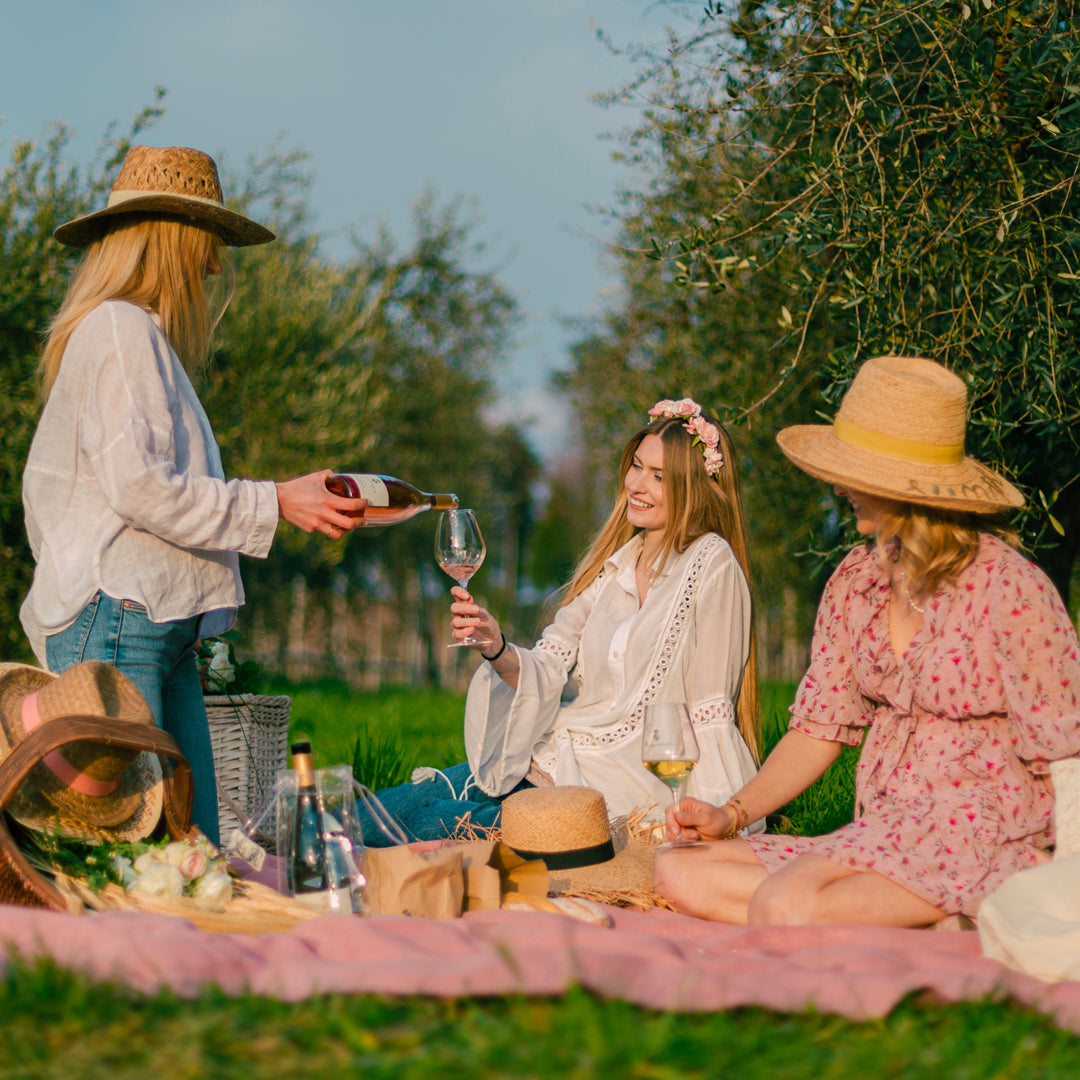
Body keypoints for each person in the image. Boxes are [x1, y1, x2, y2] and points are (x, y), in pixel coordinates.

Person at [654, 355, 1080, 928]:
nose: (835, 485)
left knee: (783, 903)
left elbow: (1065, 754)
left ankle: (982, 907)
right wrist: (730, 815)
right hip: (884, 828)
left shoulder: (1012, 589)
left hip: (985, 833)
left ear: (898, 485)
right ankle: (947, 924)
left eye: (851, 471)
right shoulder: (857, 582)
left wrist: (1068, 889)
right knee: (680, 869)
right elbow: (815, 731)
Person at [20, 145, 366, 846]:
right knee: (136, 852)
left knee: (190, 846)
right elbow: (142, 488)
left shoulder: (135, 335)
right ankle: (107, 961)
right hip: (123, 618)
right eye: (211, 241)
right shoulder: (120, 330)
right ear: (179, 239)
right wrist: (274, 502)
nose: (217, 265)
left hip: (149, 623)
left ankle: (168, 958)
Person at [361, 397, 762, 845]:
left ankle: (304, 843)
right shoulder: (614, 569)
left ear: (693, 487)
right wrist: (495, 645)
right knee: (391, 804)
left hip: (616, 794)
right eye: (636, 466)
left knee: (425, 822)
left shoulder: (711, 563)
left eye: (659, 477)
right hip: (553, 758)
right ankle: (282, 831)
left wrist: (717, 820)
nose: (637, 484)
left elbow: (710, 710)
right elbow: (548, 666)